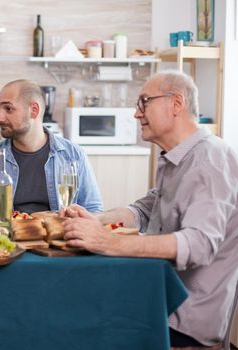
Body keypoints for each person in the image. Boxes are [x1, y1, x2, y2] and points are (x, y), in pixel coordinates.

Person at [61, 70, 238, 349]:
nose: (136, 113)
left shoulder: (210, 161)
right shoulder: (177, 156)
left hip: (186, 320)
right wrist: (95, 219)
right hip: (160, 298)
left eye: (144, 102)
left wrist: (106, 241)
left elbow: (200, 243)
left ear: (176, 103)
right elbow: (147, 209)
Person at [0, 79, 103, 216]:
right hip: (5, 235)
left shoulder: (73, 155)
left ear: (34, 111)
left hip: (58, 236)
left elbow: (94, 210)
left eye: (8, 109)